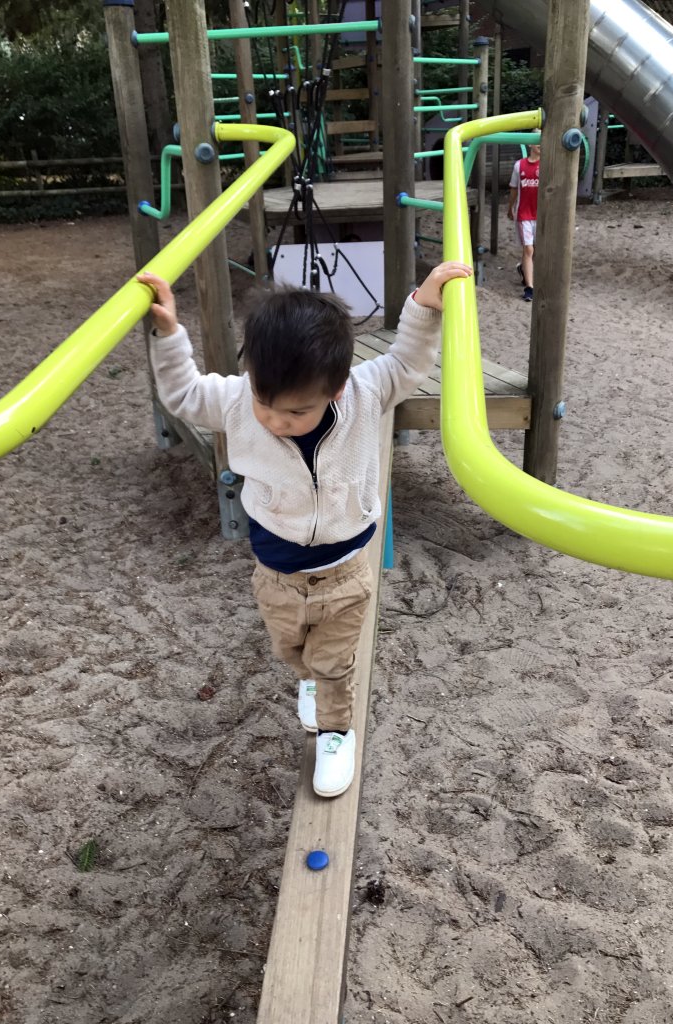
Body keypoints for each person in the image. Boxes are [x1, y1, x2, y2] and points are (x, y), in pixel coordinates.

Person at [137, 262, 472, 799]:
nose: (274, 419)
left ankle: (337, 735)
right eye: (265, 403)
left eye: (295, 411)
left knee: (333, 661)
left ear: (336, 390)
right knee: (292, 652)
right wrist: (169, 334)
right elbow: (184, 396)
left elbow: (409, 360)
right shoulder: (240, 400)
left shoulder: (366, 392)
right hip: (276, 575)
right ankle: (311, 683)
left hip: (344, 574)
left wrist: (425, 305)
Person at [507, 138, 540, 302]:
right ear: (530, 144)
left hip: (541, 214)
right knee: (528, 250)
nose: (540, 144)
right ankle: (529, 288)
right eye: (537, 140)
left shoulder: (547, 164)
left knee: (536, 250)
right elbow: (513, 189)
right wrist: (510, 207)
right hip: (524, 214)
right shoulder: (519, 165)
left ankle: (523, 269)